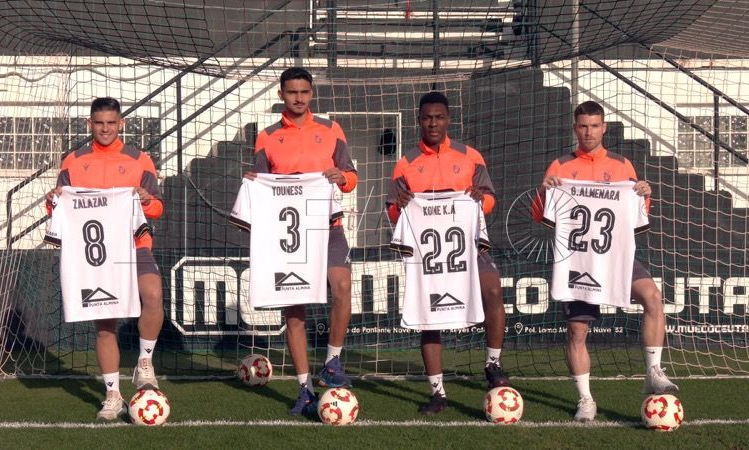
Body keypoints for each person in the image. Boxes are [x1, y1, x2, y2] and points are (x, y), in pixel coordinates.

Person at [533, 100, 679, 422]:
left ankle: (653, 371)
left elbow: (637, 216)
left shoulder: (622, 165)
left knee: (653, 297)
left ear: (604, 128)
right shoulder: (560, 166)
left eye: (594, 126)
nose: (589, 132)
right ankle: (586, 400)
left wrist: (644, 194)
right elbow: (540, 216)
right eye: (583, 126)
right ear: (575, 128)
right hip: (578, 261)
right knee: (577, 331)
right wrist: (544, 192)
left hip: (615, 256)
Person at [386, 91, 511, 415]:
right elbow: (393, 212)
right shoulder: (405, 163)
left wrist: (479, 198)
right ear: (418, 120)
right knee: (430, 320)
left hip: (468, 247)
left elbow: (490, 200)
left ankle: (493, 364)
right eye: (427, 118)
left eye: (439, 117)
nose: (433, 123)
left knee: (493, 290)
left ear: (448, 119)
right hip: (427, 254)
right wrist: (399, 207)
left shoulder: (470, 156)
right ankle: (438, 392)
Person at [243, 67, 357, 415]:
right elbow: (261, 183)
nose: (298, 98)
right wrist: (253, 182)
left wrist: (342, 177)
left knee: (342, 287)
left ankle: (332, 362)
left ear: (312, 94)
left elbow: (351, 177)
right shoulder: (266, 137)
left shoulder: (331, 129)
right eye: (292, 92)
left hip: (328, 226)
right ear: (281, 94)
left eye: (304, 92)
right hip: (287, 237)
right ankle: (304, 389)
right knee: (295, 313)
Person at [44, 97, 164, 420]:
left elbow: (157, 207)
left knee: (153, 295)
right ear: (90, 124)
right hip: (95, 256)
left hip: (134, 246)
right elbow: (58, 209)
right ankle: (113, 396)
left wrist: (147, 200)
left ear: (121, 123)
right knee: (105, 325)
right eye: (99, 123)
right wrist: (52, 200)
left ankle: (144, 362)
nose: (105, 129)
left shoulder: (140, 160)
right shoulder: (73, 161)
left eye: (111, 123)